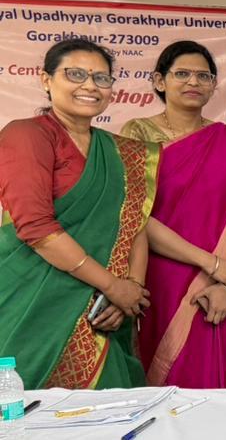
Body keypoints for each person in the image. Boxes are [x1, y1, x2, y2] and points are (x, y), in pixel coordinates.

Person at [120, 40, 226, 388]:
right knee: (173, 379)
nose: (193, 82)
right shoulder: (138, 134)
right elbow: (136, 216)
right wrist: (211, 264)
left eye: (203, 76)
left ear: (213, 85)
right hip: (165, 275)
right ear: (159, 81)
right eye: (182, 74)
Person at [0, 39, 154, 389]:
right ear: (46, 80)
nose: (90, 86)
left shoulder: (120, 151)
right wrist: (112, 285)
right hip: (34, 302)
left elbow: (135, 224)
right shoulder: (27, 135)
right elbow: (37, 229)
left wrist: (130, 289)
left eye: (101, 78)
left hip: (103, 310)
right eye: (75, 74)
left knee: (110, 409)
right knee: (31, 406)